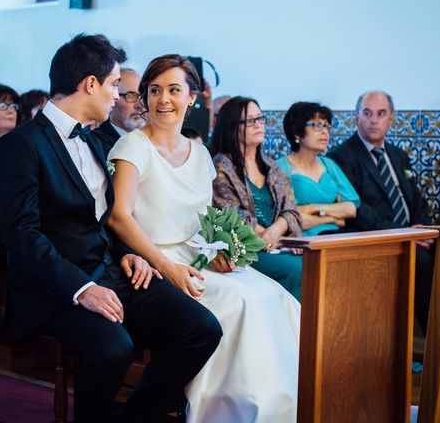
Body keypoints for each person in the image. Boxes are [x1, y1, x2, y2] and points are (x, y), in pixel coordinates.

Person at [0, 35, 222, 423]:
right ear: (90, 84)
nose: (120, 96)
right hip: (56, 288)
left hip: (113, 273)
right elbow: (22, 236)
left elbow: (103, 218)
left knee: (201, 328)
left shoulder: (96, 143)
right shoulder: (20, 146)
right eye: (115, 84)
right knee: (115, 347)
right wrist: (81, 289)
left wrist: (127, 253)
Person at [107, 55, 300, 423]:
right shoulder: (134, 147)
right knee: (242, 300)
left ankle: (282, 406)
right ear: (145, 98)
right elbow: (120, 216)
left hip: (195, 256)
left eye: (175, 90)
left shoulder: (198, 154)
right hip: (155, 260)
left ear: (192, 97)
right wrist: (168, 265)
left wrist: (220, 250)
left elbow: (203, 220)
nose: (164, 99)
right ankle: (230, 411)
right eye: (155, 90)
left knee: (271, 293)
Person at [327, 90, 434, 334]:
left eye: (381, 113)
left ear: (391, 119)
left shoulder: (398, 155)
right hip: (375, 238)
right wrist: (404, 233)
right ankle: (432, 343)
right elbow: (358, 209)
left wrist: (425, 229)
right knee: (422, 262)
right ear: (357, 118)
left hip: (411, 235)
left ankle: (439, 347)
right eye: (367, 113)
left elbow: (415, 199)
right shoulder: (342, 157)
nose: (374, 119)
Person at [211, 97, 303, 300]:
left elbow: (291, 210)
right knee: (298, 270)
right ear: (232, 126)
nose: (258, 124)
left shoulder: (271, 166)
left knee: (315, 264)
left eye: (260, 119)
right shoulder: (222, 166)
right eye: (250, 120)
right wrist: (265, 237)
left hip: (278, 244)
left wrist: (275, 231)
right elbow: (231, 214)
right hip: (247, 249)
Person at [277, 101, 360, 236]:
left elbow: (350, 208)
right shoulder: (281, 168)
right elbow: (289, 218)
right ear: (297, 133)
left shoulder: (329, 164)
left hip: (335, 238)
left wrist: (313, 208)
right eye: (316, 125)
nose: (324, 132)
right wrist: (331, 218)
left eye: (327, 126)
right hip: (300, 242)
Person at [95, 68, 145, 154]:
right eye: (131, 96)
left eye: (143, 96)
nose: (140, 105)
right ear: (113, 97)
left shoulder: (153, 140)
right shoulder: (95, 143)